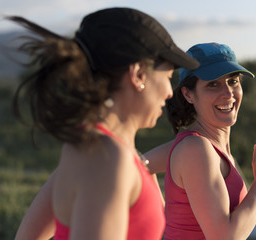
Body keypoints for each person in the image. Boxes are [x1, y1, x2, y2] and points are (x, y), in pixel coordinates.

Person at [11, 7, 199, 240]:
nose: (169, 93)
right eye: (167, 78)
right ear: (139, 74)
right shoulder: (108, 158)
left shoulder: (88, 146)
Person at [151, 42, 256, 240]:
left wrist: (166, 219)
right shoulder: (194, 148)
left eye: (233, 81)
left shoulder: (202, 147)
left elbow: (140, 165)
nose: (228, 93)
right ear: (188, 94)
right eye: (213, 84)